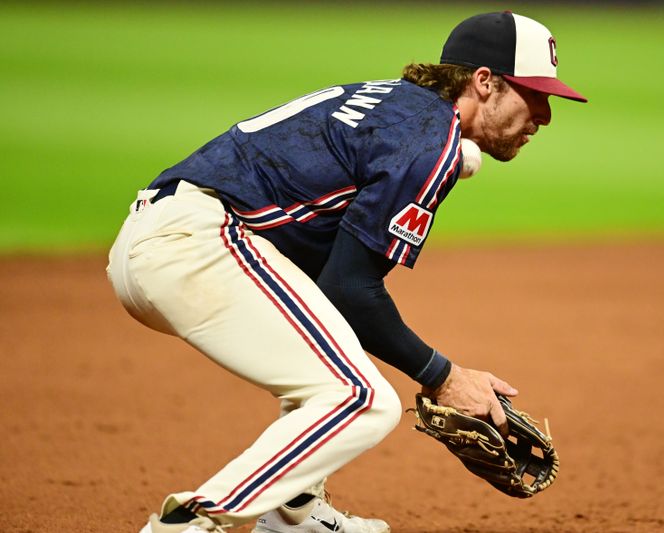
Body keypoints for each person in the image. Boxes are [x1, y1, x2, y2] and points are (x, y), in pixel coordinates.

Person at [106, 10, 586, 533]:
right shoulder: (429, 143)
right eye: (533, 94)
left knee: (327, 370)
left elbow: (329, 283)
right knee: (365, 400)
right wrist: (444, 377)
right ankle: (193, 522)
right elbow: (350, 287)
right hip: (198, 243)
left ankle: (295, 512)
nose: (545, 114)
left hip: (163, 239)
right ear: (485, 82)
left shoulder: (400, 109)